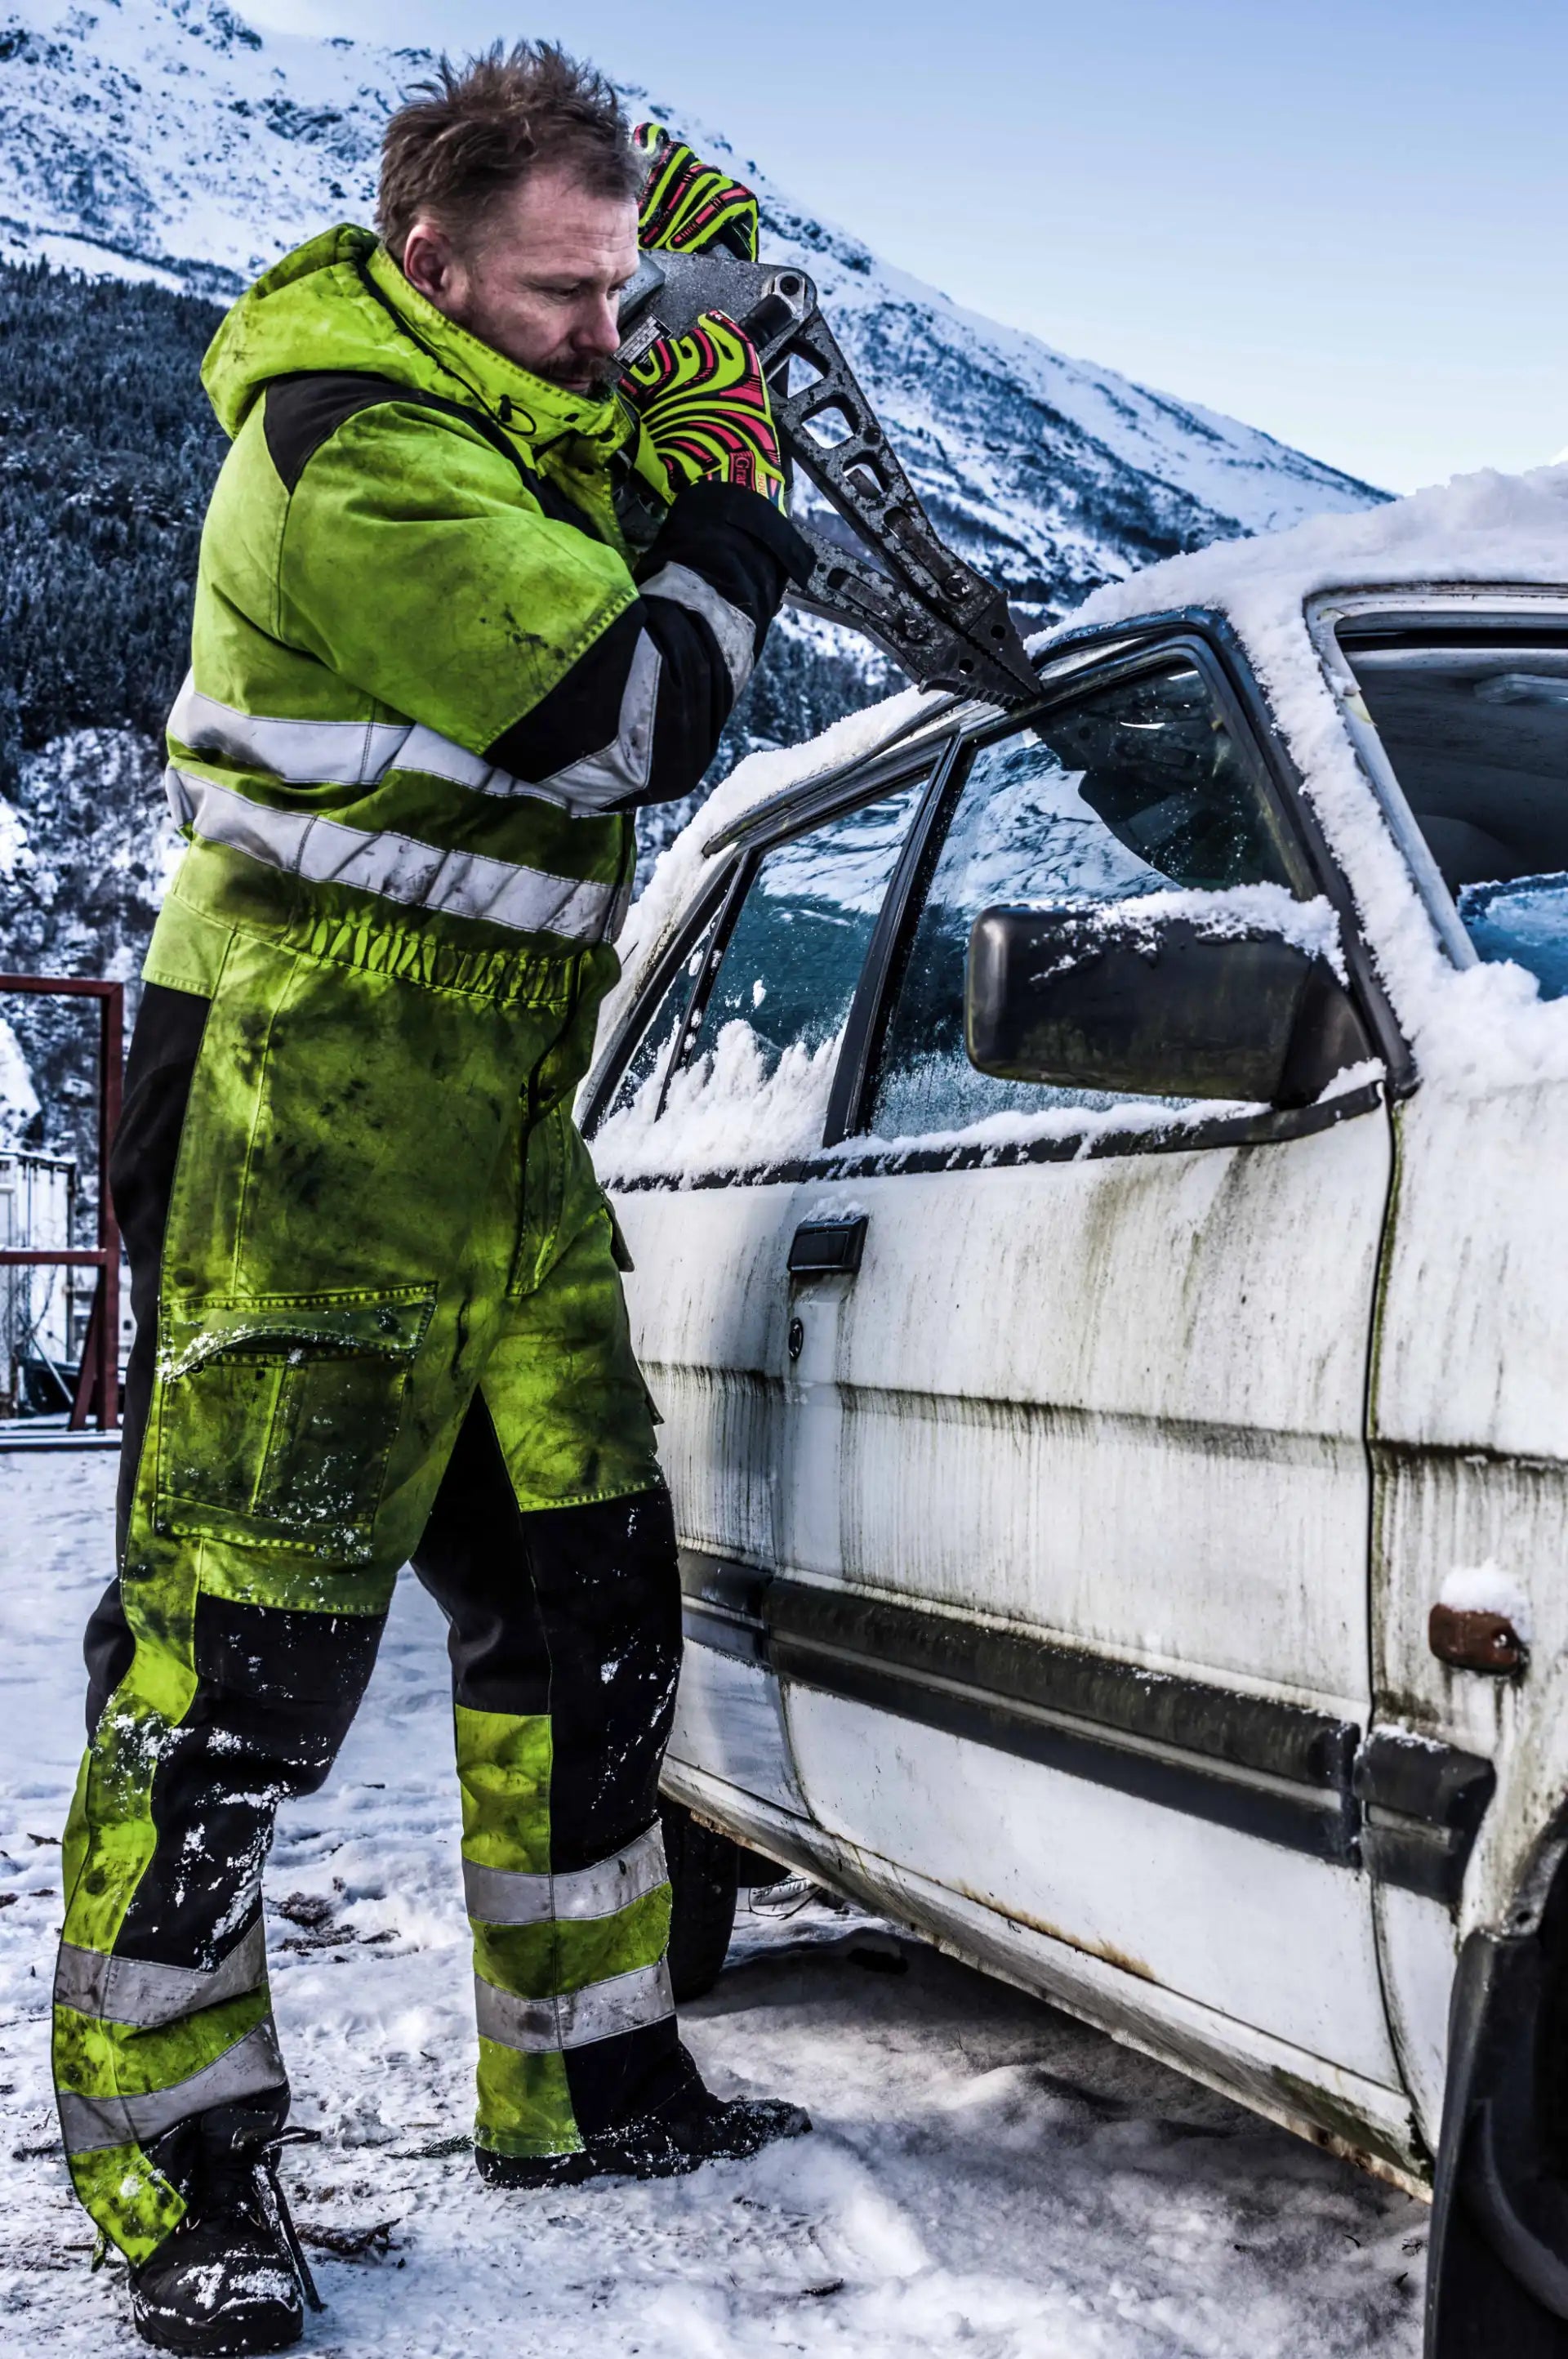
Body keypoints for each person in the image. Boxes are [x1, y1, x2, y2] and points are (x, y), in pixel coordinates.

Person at [51, 42, 814, 2356]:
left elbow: (654, 293)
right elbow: (626, 711)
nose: (605, 331)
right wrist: (735, 473)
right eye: (563, 293)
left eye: (616, 285)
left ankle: (583, 2075)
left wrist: (694, 268)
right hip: (303, 1077)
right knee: (239, 1654)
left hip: (493, 1098)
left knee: (582, 1589)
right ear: (429, 263)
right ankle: (171, 2167)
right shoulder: (353, 442)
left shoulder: (513, 386)